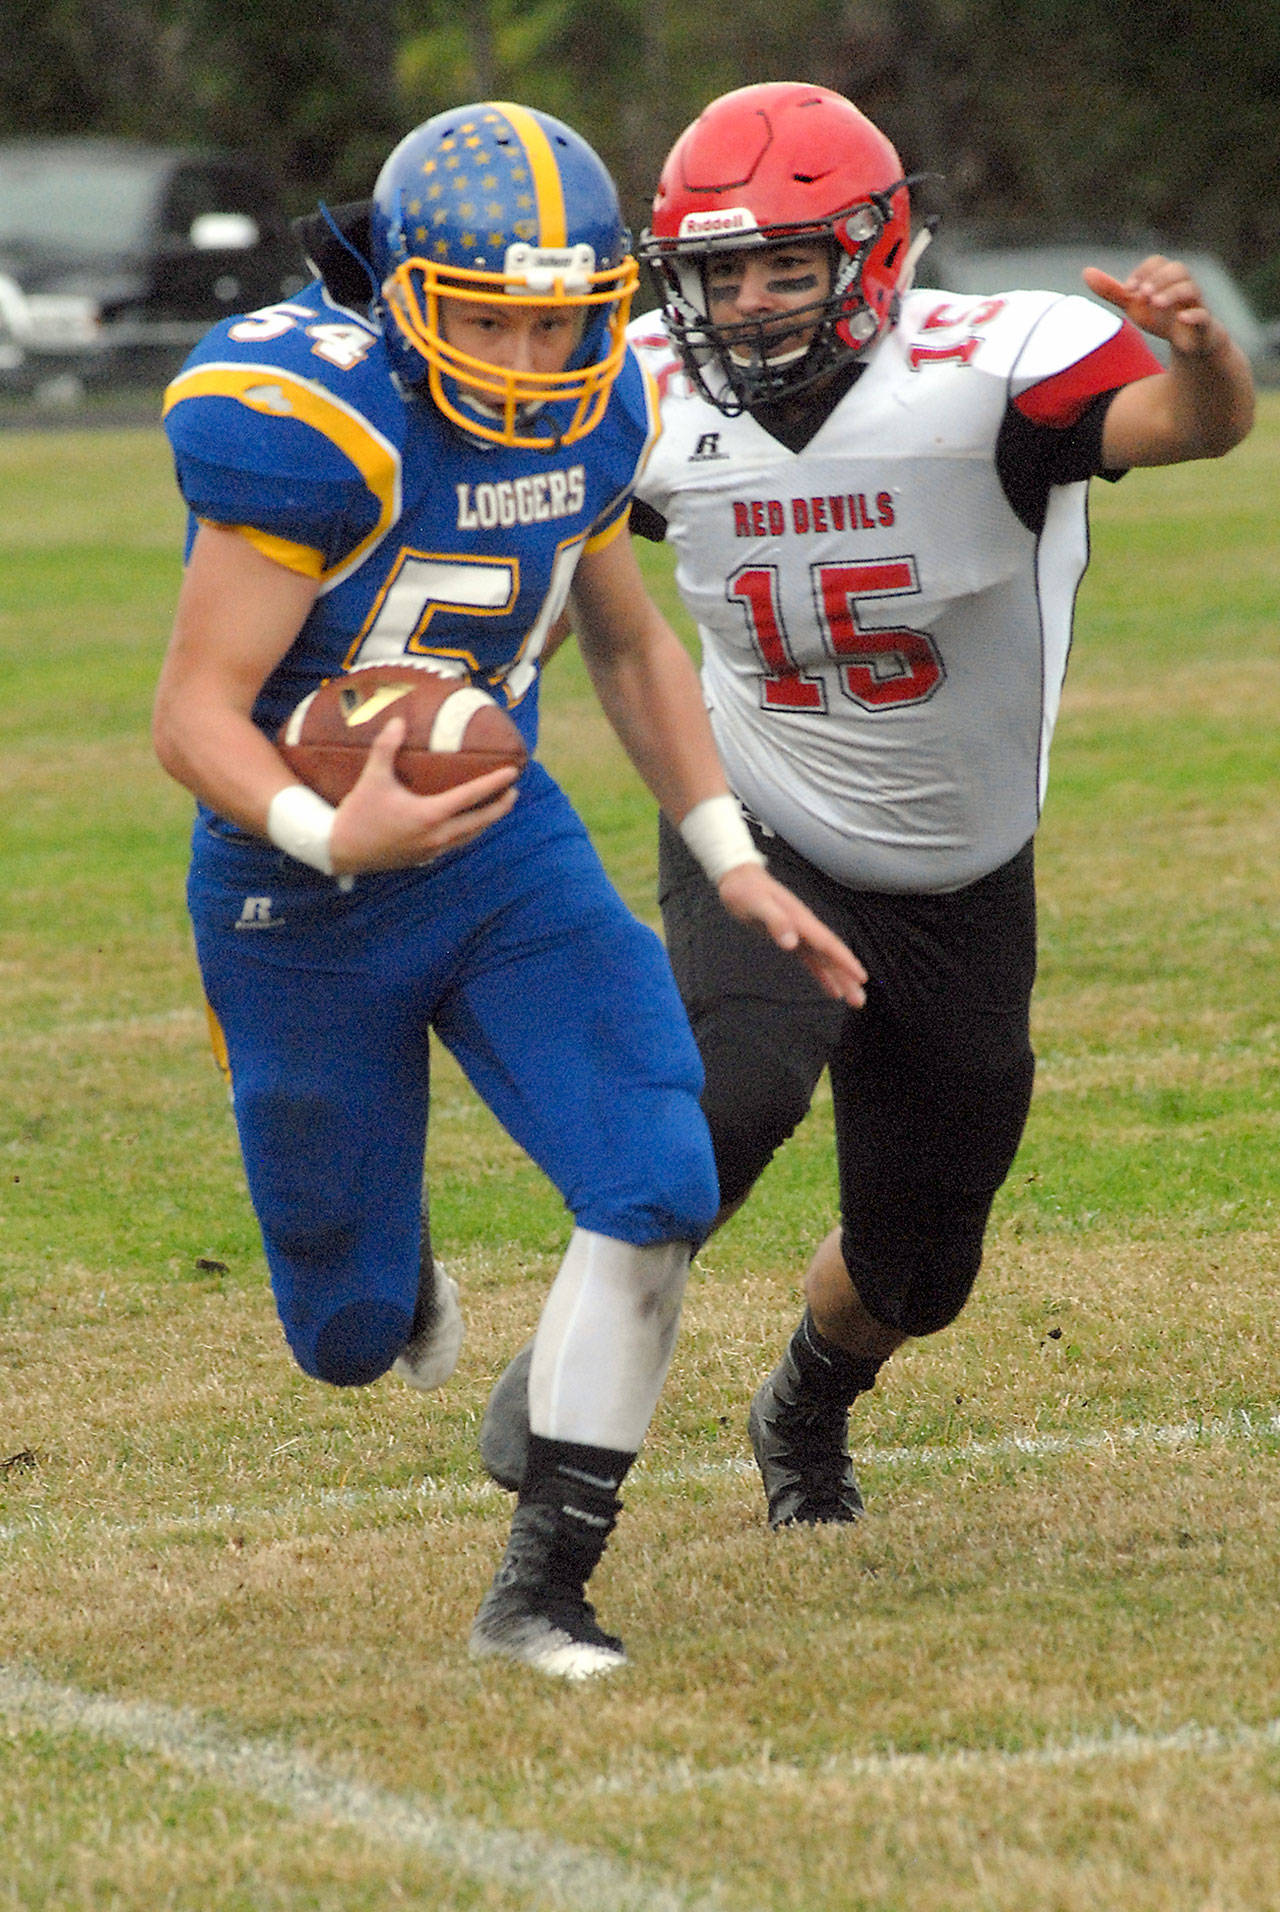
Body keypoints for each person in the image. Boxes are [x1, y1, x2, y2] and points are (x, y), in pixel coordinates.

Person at [151, 98, 866, 1679]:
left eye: (562, 323)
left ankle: (542, 1586)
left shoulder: (599, 407)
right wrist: (338, 835)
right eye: (492, 321)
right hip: (298, 884)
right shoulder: (314, 423)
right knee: (344, 1340)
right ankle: (387, 1274)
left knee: (659, 1174)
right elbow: (194, 712)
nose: (533, 364)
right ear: (406, 297)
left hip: (497, 844)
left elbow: (624, 640)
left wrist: (731, 858)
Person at [478, 81, 1255, 1529]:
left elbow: (1195, 428)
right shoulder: (639, 388)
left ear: (873, 253)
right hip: (758, 813)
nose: (756, 300)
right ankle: (580, 1351)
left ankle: (807, 1405)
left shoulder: (989, 368)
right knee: (737, 1087)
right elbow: (539, 539)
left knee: (919, 1267)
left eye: (790, 263)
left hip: (965, 862)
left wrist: (1206, 358)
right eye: (724, 269)